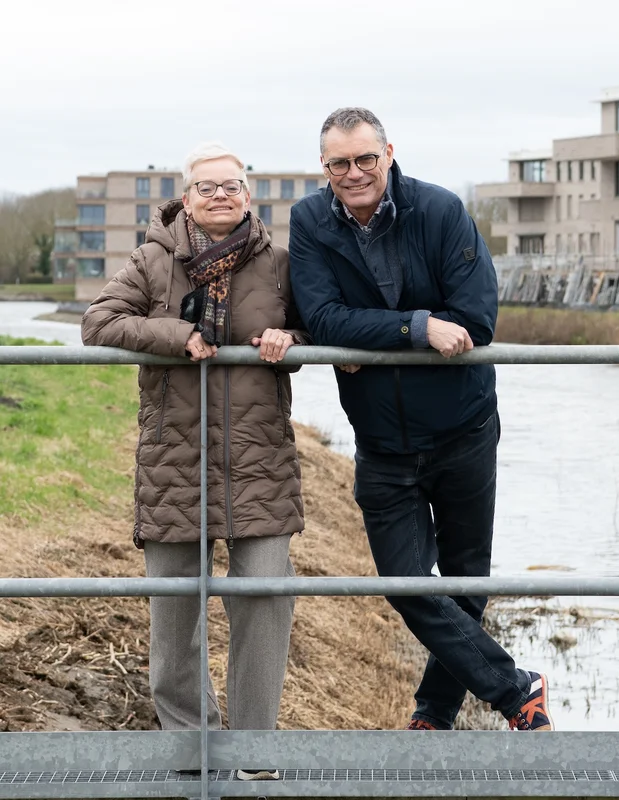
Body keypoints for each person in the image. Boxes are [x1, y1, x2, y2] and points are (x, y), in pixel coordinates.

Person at [288, 107, 551, 732]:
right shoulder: (308, 221)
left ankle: (433, 712)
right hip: (380, 439)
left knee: (464, 581)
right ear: (323, 166)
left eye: (364, 159)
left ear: (389, 154)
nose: (353, 174)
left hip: (462, 427)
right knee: (407, 585)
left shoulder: (439, 212)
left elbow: (477, 320)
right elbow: (323, 319)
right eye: (338, 164)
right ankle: (517, 688)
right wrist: (417, 327)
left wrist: (372, 342)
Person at [81, 143, 308, 779]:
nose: (219, 196)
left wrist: (289, 337)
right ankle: (194, 748)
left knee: (265, 598)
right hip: (174, 459)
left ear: (249, 194)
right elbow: (100, 323)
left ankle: (254, 752)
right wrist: (176, 336)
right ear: (185, 196)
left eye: (230, 186)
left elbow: (319, 323)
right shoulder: (153, 259)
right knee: (174, 614)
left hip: (259, 459)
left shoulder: (280, 263)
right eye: (206, 187)